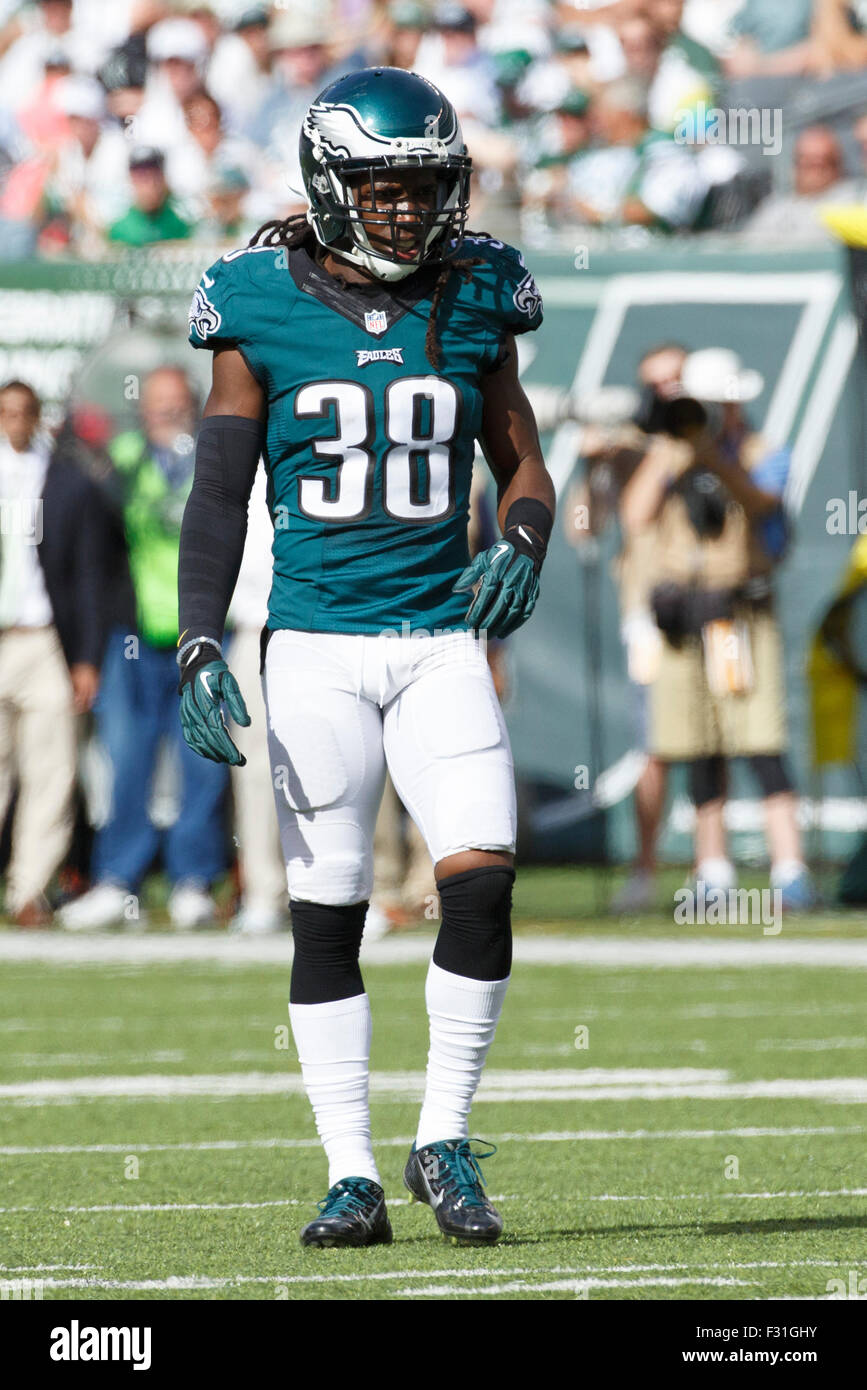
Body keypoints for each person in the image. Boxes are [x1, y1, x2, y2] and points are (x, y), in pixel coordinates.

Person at [178, 66, 554, 1248]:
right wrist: (197, 634)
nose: (407, 210)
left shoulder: (483, 290)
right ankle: (350, 1173)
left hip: (442, 637)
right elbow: (218, 492)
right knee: (327, 909)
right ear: (332, 185)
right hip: (318, 649)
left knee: (482, 879)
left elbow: (522, 460)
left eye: (424, 187)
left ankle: (442, 1135)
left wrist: (529, 536)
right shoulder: (255, 301)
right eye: (384, 188)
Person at [621, 346, 813, 909]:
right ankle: (713, 868)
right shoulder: (669, 454)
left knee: (760, 741)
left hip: (739, 612)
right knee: (697, 746)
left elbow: (761, 504)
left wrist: (712, 454)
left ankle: (790, 868)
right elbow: (633, 518)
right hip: (684, 615)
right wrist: (670, 450)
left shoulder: (762, 452)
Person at [59, 366, 229, 932]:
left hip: (200, 632)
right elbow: (88, 507)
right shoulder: (124, 457)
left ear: (194, 404)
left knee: (201, 760)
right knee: (127, 761)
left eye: (176, 401)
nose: (166, 411)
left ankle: (192, 880)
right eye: (156, 402)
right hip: (132, 633)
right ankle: (117, 880)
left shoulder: (213, 456)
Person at [0, 381, 107, 926]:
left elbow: (90, 576)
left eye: (24, 413)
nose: (15, 423)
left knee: (51, 769)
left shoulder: (66, 483)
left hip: (44, 638)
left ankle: (29, 889)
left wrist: (86, 656)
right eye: (6, 413)